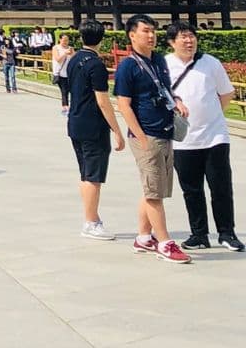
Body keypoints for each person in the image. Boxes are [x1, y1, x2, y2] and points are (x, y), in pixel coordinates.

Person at [112, 14, 190, 264]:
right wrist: (141, 137)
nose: (151, 35)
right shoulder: (128, 66)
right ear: (132, 35)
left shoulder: (158, 60)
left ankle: (144, 237)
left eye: (153, 31)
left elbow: (166, 89)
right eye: (145, 31)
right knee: (155, 192)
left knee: (154, 188)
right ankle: (165, 242)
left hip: (164, 129)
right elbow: (123, 105)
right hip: (146, 134)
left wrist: (177, 101)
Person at [165, 21, 241, 252]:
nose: (189, 41)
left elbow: (226, 93)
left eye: (192, 36)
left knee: (221, 186)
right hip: (183, 140)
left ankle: (227, 233)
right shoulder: (164, 65)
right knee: (191, 189)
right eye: (183, 37)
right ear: (171, 42)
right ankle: (199, 234)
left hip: (214, 136)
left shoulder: (210, 63)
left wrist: (211, 115)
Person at [65, 21, 125, 240]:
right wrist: (117, 129)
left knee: (85, 173)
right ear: (102, 38)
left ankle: (92, 216)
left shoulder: (74, 60)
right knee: (94, 176)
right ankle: (91, 222)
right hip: (93, 125)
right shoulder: (96, 65)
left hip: (76, 121)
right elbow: (103, 101)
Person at [51, 33, 74, 113]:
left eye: (67, 40)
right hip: (60, 73)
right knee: (64, 90)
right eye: (64, 40)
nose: (65, 42)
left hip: (69, 73)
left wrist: (72, 54)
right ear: (60, 39)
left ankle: (72, 106)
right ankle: (65, 107)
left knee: (72, 90)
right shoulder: (56, 48)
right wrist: (65, 53)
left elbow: (74, 59)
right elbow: (58, 59)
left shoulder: (70, 48)